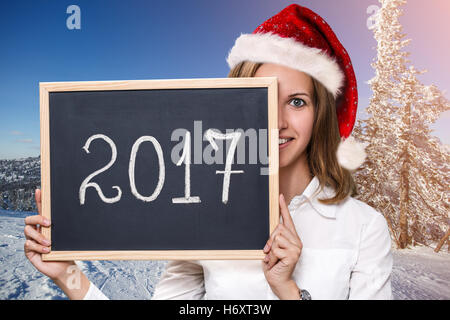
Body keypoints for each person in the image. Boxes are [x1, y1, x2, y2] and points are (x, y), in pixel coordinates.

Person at [24, 4, 393, 300]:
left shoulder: (362, 227)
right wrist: (67, 274)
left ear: (320, 114)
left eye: (296, 102)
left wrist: (288, 291)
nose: (277, 121)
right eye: (263, 99)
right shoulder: (204, 213)